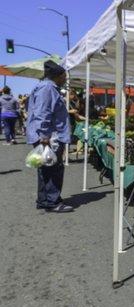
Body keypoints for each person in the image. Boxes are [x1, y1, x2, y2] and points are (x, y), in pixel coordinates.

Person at [26, 60, 73, 213]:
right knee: (53, 169)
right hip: (51, 136)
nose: (65, 79)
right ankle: (53, 202)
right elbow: (43, 113)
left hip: (48, 135)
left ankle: (44, 200)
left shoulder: (46, 87)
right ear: (57, 76)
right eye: (64, 76)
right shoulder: (48, 88)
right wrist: (45, 136)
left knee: (45, 169)